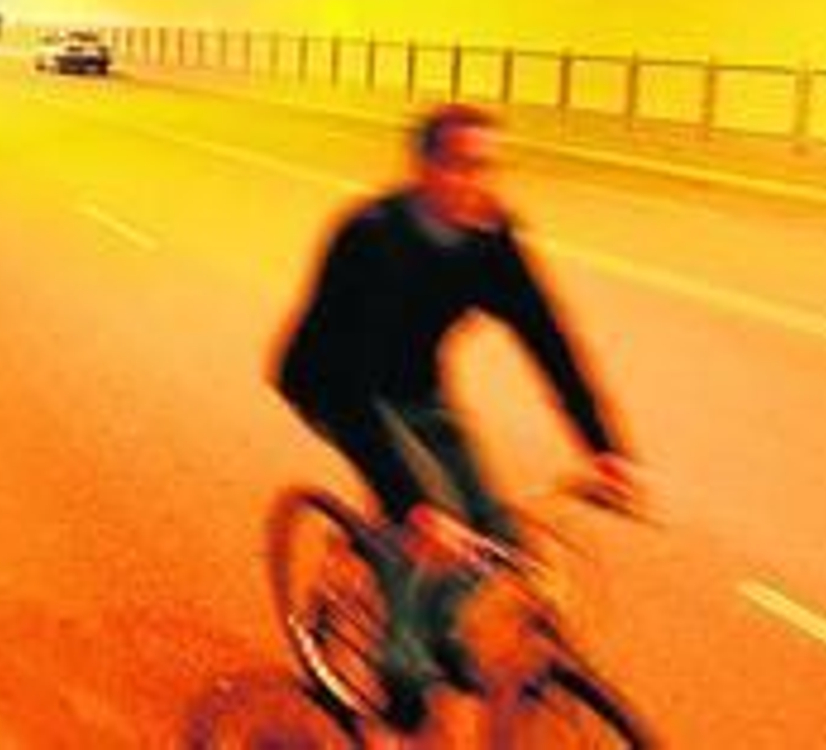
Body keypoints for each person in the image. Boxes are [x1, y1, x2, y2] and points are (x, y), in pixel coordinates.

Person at [273, 102, 637, 727]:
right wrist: (412, 501)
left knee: (495, 536)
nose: (477, 183)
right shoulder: (370, 237)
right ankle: (402, 667)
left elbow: (547, 337)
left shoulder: (490, 236)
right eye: (461, 167)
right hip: (335, 384)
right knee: (431, 515)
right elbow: (352, 387)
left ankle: (438, 624)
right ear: (423, 169)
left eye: (488, 168)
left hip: (418, 383)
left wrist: (602, 446)